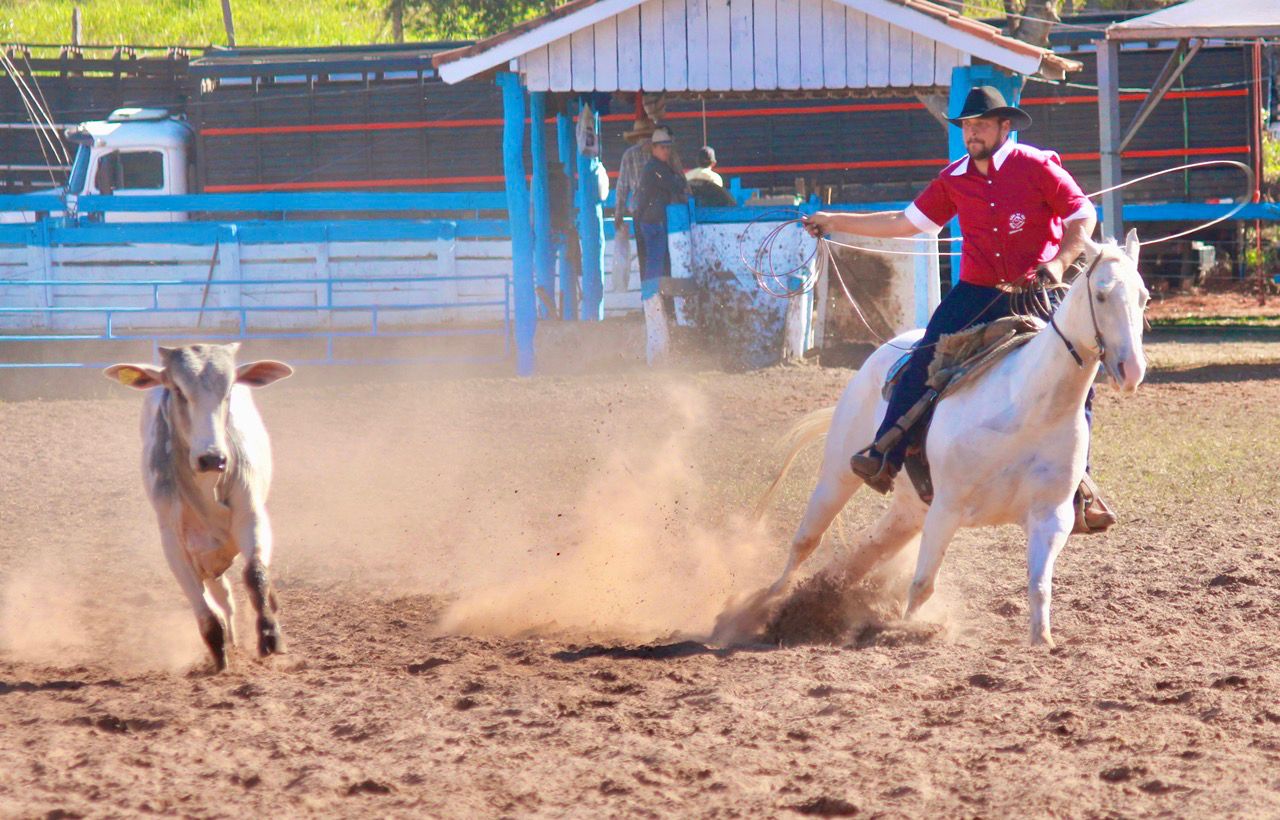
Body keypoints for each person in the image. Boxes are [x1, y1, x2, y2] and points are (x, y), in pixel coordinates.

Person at [803, 86, 1115, 534]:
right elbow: (904, 222)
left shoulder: (1038, 167)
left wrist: (1058, 263)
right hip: (975, 292)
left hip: (1036, 289)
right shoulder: (954, 178)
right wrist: (835, 221)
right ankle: (884, 452)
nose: (973, 133)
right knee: (921, 358)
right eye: (967, 126)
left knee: (1077, 374)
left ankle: (1079, 487)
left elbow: (1081, 215)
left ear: (1004, 127)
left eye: (981, 124)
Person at [633, 126, 690, 363]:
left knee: (655, 267)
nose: (666, 151)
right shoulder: (656, 169)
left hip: (650, 221)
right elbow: (677, 186)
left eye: (668, 148)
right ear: (655, 149)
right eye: (663, 147)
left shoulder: (654, 168)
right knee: (655, 268)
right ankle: (655, 308)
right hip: (654, 223)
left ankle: (656, 309)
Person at [612, 115, 656, 293]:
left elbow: (622, 187)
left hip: (639, 212)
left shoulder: (629, 155)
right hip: (660, 210)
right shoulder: (657, 151)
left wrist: (618, 214)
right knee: (658, 255)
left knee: (644, 254)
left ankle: (648, 296)